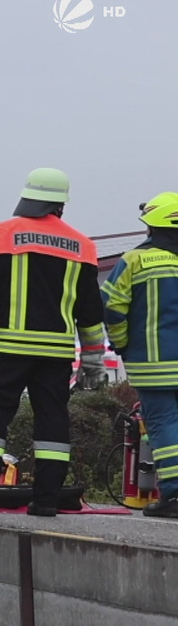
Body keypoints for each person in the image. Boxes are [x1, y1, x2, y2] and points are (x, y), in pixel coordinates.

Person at [0, 168, 105, 517]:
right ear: (61, 205)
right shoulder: (84, 247)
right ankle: (46, 501)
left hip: (10, 347)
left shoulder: (4, 234)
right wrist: (93, 357)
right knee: (52, 422)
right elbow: (90, 310)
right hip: (56, 353)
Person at [101, 193, 178, 518]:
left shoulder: (134, 260)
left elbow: (112, 307)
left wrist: (120, 344)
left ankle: (174, 496)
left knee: (163, 425)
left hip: (153, 364)